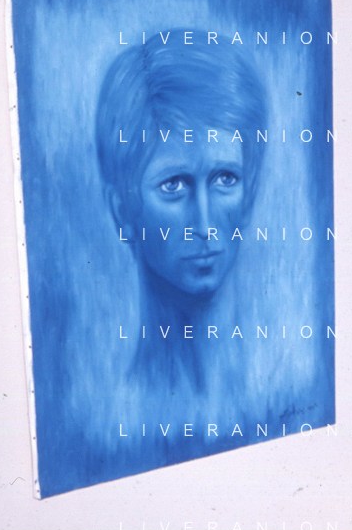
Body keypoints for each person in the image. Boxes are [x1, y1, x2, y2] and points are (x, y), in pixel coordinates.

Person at [94, 36, 268, 392]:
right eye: (173, 185)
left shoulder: (281, 379)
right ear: (122, 211)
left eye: (225, 179)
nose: (203, 225)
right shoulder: (112, 400)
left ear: (248, 196)